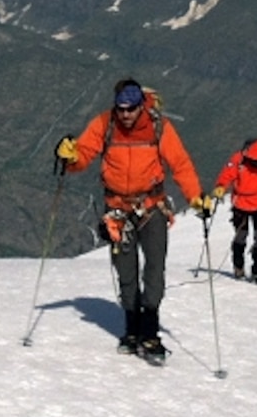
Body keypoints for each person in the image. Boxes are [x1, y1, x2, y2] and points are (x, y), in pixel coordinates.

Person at [55, 78, 208, 361]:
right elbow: (84, 155)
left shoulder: (158, 126)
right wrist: (70, 157)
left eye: (131, 109)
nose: (125, 115)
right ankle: (132, 330)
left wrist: (196, 196)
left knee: (154, 270)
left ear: (141, 105)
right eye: (121, 109)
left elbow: (180, 163)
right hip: (118, 211)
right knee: (126, 273)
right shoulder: (104, 124)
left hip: (152, 208)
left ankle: (148, 332)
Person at [212, 138, 257, 286]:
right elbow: (228, 173)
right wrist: (221, 186)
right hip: (241, 204)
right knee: (241, 237)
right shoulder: (238, 159)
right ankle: (238, 266)